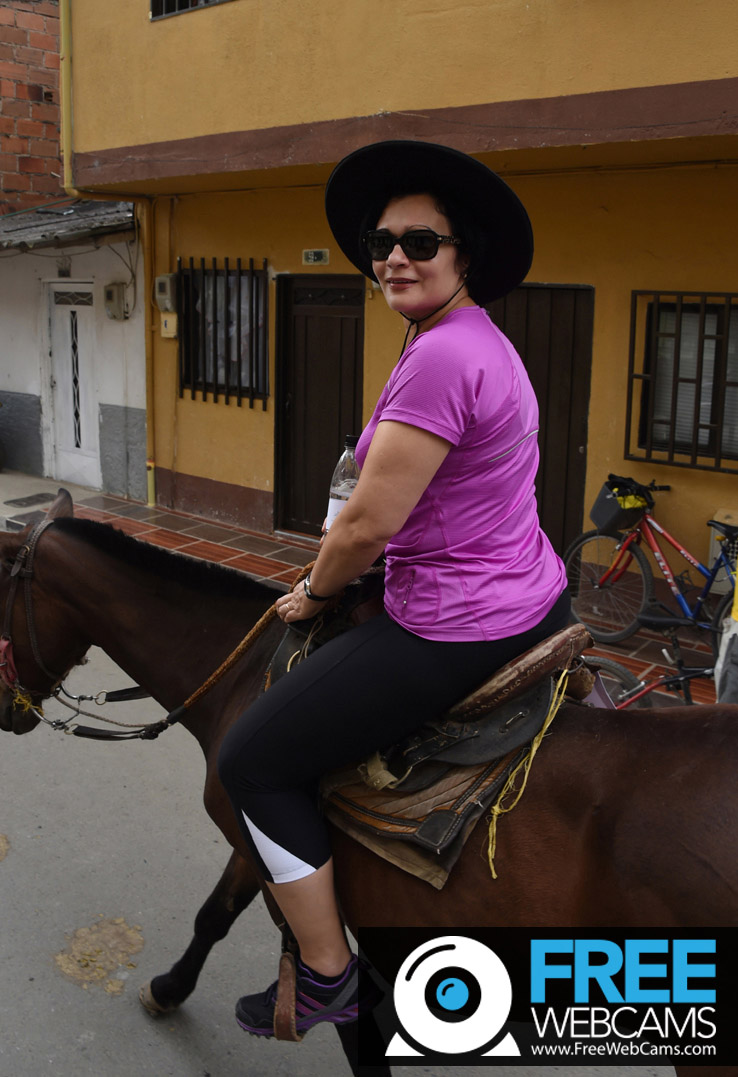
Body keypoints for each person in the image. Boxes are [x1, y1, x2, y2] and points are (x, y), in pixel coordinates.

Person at [218, 139, 569, 1037]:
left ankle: (330, 977)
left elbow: (367, 525)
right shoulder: (467, 338)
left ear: (462, 256)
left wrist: (312, 590)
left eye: (421, 240)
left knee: (252, 760)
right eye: (382, 243)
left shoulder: (444, 356)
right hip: (528, 587)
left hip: (455, 620)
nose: (396, 258)